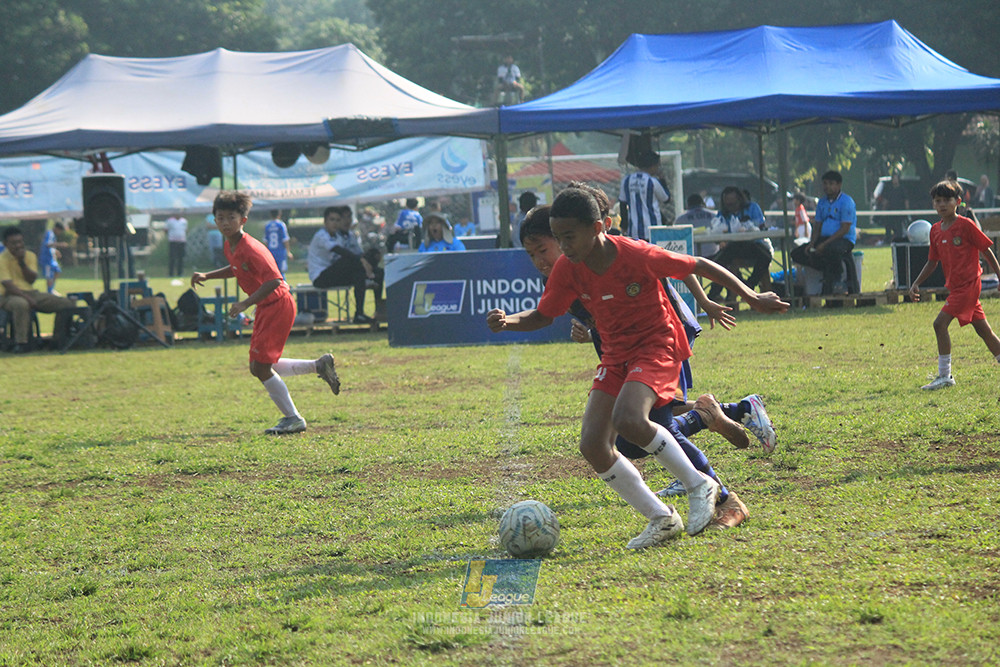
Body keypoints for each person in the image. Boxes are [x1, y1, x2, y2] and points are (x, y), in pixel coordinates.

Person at [487, 188, 788, 548]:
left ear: (599, 227)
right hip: (615, 356)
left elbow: (697, 265)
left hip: (656, 345)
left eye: (568, 237)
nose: (564, 247)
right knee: (594, 445)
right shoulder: (568, 269)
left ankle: (701, 485)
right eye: (559, 238)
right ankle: (661, 518)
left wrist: (752, 297)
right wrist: (509, 322)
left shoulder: (633, 254)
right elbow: (542, 315)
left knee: (632, 419)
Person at [191, 192, 342, 434]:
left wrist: (245, 303)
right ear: (215, 220)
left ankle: (293, 418)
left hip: (277, 304)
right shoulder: (231, 245)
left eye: (232, 217)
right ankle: (319, 366)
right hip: (268, 306)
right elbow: (236, 268)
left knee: (260, 368)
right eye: (221, 218)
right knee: (262, 365)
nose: (226, 222)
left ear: (244, 220)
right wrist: (208, 275)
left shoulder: (251, 248)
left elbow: (274, 281)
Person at [908, 180, 1000, 390]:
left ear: (957, 202)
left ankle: (945, 375)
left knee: (939, 324)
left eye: (947, 200)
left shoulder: (966, 225)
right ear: (933, 204)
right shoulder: (935, 230)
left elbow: (986, 250)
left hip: (969, 285)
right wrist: (916, 283)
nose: (942, 204)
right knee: (984, 331)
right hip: (956, 287)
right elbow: (933, 261)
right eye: (937, 200)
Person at [0, 226, 78, 353]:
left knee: (65, 303)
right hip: (7, 296)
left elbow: (31, 280)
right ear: (5, 244)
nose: (18, 246)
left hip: (31, 293)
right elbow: (8, 285)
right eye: (13, 243)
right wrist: (27, 298)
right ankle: (22, 343)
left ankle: (57, 340)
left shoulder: (29, 256)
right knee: (21, 304)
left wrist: (22, 262)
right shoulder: (1, 259)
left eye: (20, 242)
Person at [307, 206, 380, 324]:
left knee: (371, 270)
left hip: (334, 274)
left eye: (337, 220)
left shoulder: (338, 236)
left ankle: (365, 313)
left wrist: (368, 260)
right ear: (325, 221)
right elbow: (340, 251)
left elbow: (357, 253)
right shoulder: (321, 235)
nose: (335, 223)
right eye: (332, 220)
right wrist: (363, 262)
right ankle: (367, 277)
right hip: (320, 277)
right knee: (349, 260)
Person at [790, 170, 859, 295]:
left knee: (830, 250)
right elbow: (817, 225)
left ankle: (837, 279)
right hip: (824, 239)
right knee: (797, 253)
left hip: (843, 240)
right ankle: (829, 271)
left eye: (831, 183)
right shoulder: (822, 202)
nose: (827, 187)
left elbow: (845, 229)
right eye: (825, 183)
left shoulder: (846, 202)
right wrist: (812, 243)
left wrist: (824, 244)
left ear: (839, 185)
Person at [706, 186, 773, 300]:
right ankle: (713, 295)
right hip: (732, 246)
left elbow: (760, 227)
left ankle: (750, 284)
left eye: (733, 203)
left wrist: (748, 228)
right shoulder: (722, 214)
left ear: (740, 200)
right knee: (718, 263)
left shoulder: (752, 208)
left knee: (766, 257)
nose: (731, 207)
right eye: (728, 204)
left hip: (752, 245)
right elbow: (716, 231)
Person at [618, 151, 670, 242]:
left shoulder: (626, 180)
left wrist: (624, 225)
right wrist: (662, 180)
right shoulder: (652, 181)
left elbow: (622, 204)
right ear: (653, 166)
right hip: (654, 230)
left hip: (634, 231)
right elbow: (666, 199)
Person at [674, 193, 718, 258]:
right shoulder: (714, 216)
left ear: (688, 205)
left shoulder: (680, 219)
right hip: (712, 254)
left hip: (690, 255)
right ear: (703, 204)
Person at [873, 171, 910, 243]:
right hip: (890, 212)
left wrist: (907, 211)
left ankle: (899, 240)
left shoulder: (902, 189)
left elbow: (906, 201)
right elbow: (886, 200)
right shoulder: (889, 189)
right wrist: (884, 211)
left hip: (899, 212)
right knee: (888, 226)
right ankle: (888, 240)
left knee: (899, 228)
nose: (895, 180)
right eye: (893, 179)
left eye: (896, 178)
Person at [38, 222, 67, 294]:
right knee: (49, 276)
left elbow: (51, 246)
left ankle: (51, 289)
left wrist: (56, 251)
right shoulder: (49, 233)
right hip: (46, 259)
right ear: (56, 228)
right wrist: (60, 244)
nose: (60, 233)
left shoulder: (53, 235)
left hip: (51, 259)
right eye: (60, 231)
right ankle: (50, 291)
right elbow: (47, 244)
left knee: (57, 271)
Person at [263, 210, 293, 278]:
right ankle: (283, 287)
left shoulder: (268, 226)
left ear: (270, 215)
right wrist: (288, 252)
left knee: (272, 272)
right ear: (279, 215)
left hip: (271, 252)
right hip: (280, 252)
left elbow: (266, 241)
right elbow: (285, 239)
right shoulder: (281, 225)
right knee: (281, 272)